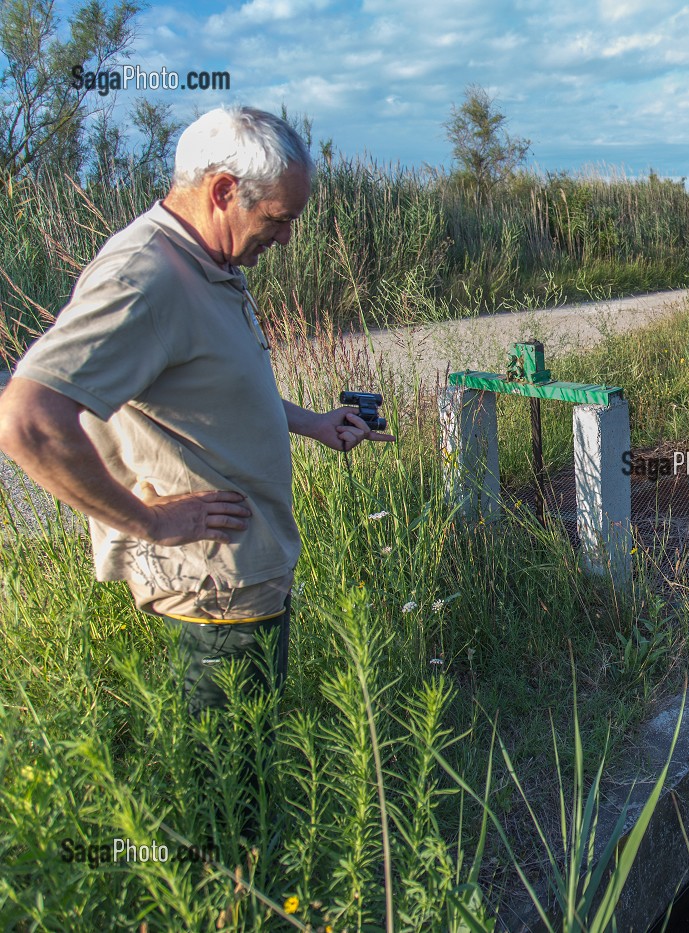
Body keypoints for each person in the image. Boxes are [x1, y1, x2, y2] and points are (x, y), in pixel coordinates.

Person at [0, 106, 394, 714]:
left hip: (245, 569)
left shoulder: (207, 263)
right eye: (278, 219)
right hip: (215, 582)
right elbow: (28, 419)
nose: (287, 237)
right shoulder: (145, 276)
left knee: (246, 756)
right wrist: (147, 522)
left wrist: (311, 423)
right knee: (230, 778)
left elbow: (210, 390)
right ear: (223, 191)